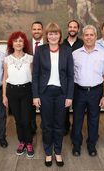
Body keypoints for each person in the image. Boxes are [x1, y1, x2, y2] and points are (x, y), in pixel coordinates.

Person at [32, 22, 74, 167]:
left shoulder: (66, 51)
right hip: (45, 93)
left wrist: (69, 96)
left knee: (60, 125)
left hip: (62, 93)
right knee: (47, 125)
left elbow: (70, 75)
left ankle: (58, 152)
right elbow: (35, 74)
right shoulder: (40, 50)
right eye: (50, 33)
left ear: (60, 35)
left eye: (56, 33)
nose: (53, 36)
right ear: (47, 35)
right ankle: (48, 153)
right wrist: (35, 95)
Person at [71, 25, 104, 157]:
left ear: (96, 37)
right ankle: (76, 145)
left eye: (91, 35)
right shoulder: (75, 54)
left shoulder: (103, 55)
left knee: (94, 120)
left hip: (96, 92)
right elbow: (70, 75)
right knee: (77, 119)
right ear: (82, 37)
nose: (89, 37)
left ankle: (91, 145)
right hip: (78, 91)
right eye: (86, 35)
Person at [2, 31, 34, 158]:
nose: (18, 43)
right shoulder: (7, 59)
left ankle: (29, 143)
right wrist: (4, 96)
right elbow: (4, 78)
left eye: (21, 41)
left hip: (27, 91)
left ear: (24, 43)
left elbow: (33, 77)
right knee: (18, 120)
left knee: (27, 120)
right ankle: (22, 142)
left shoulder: (30, 58)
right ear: (12, 43)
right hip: (12, 91)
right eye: (16, 41)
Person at [62, 19, 84, 135]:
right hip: (65, 81)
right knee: (64, 107)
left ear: (78, 29)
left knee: (77, 108)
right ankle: (65, 127)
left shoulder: (82, 44)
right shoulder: (61, 44)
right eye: (70, 27)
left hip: (79, 81)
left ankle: (76, 130)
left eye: (75, 27)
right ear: (67, 29)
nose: (72, 29)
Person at [29, 21, 45, 135]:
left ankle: (45, 128)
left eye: (39, 29)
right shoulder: (26, 45)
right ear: (31, 31)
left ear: (42, 30)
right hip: (29, 81)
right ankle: (32, 128)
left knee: (45, 108)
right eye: (34, 29)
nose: (36, 31)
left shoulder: (49, 44)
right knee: (30, 109)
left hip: (45, 82)